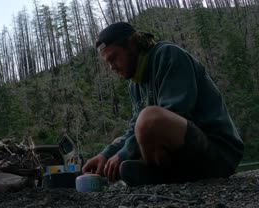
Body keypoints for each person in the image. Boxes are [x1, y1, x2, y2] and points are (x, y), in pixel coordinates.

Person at [82, 22, 244, 186]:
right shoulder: (135, 84)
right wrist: (106, 155)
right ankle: (166, 176)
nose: (111, 67)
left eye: (113, 57)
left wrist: (124, 154)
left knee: (149, 119)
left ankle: (157, 175)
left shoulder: (168, 54)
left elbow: (174, 113)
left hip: (217, 153)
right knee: (128, 135)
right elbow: (133, 130)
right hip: (187, 156)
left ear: (131, 44)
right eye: (107, 62)